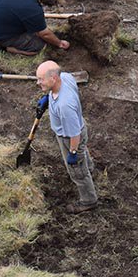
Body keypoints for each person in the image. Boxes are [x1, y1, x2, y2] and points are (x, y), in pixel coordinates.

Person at [35, 61, 97, 213]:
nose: (38, 82)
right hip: (79, 126)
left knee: (77, 170)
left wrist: (73, 152)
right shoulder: (66, 78)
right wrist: (49, 98)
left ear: (54, 78)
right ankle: (89, 168)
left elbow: (74, 134)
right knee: (83, 155)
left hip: (70, 138)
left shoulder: (64, 106)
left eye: (41, 79)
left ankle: (89, 200)